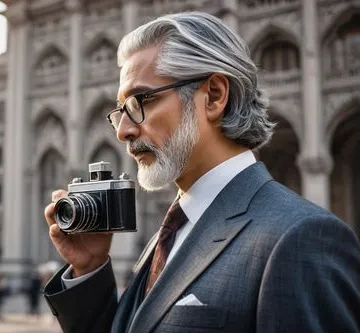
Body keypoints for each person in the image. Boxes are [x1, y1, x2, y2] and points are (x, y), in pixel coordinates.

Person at [42, 12, 360, 333]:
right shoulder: (171, 233)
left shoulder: (301, 239)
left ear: (214, 96)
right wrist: (90, 268)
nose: (123, 130)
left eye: (140, 102)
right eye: (120, 111)